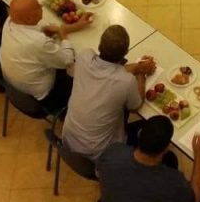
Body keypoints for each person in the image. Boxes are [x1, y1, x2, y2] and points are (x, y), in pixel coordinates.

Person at [62, 25, 156, 163]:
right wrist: (141, 74)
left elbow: (109, 72)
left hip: (69, 141)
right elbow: (135, 106)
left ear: (100, 45)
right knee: (152, 125)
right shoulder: (126, 81)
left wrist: (137, 66)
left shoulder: (84, 56)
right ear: (126, 52)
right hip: (99, 154)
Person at [0, 0, 92, 111]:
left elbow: (47, 27)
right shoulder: (37, 42)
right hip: (45, 97)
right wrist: (63, 35)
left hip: (13, 87)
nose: (41, 5)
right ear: (29, 19)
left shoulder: (10, 21)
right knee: (85, 77)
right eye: (37, 7)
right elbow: (67, 60)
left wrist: (76, 26)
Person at [98, 116, 200, 202]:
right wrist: (199, 155)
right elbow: (195, 198)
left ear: (140, 134)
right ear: (166, 148)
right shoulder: (172, 183)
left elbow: (98, 172)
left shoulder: (113, 152)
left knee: (171, 159)